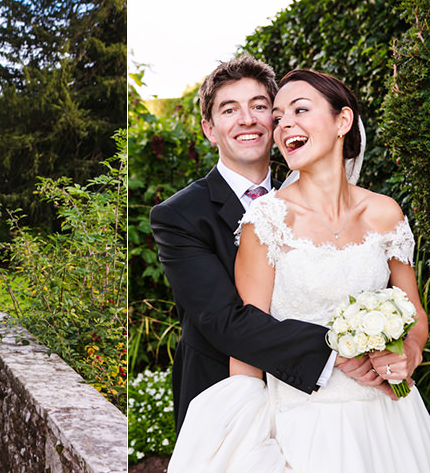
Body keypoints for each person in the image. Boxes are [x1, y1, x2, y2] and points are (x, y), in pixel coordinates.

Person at [168, 70, 430, 471]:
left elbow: (414, 312)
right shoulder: (265, 220)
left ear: (343, 121)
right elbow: (242, 337)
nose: (284, 125)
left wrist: (409, 351)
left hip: (389, 418)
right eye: (280, 116)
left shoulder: (386, 212)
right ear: (208, 129)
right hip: (305, 421)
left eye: (297, 110)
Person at [150, 55, 377, 433]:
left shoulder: (317, 199)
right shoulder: (179, 216)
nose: (247, 119)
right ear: (209, 129)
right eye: (229, 110)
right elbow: (223, 321)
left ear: (276, 119)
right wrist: (336, 348)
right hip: (223, 395)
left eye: (259, 106)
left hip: (326, 405)